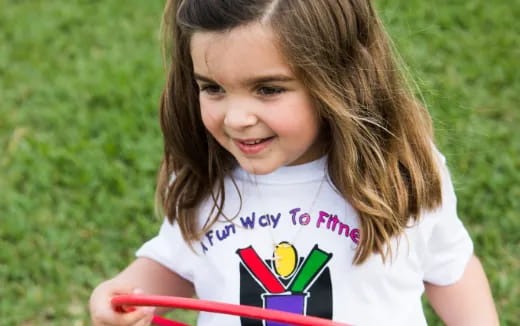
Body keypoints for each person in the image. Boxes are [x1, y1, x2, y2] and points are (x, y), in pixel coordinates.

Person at [89, 0, 499, 325]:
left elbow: (450, 268)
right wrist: (123, 291)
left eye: (267, 89)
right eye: (213, 88)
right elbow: (175, 259)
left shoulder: (400, 171)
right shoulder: (207, 178)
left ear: (338, 81)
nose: (236, 118)